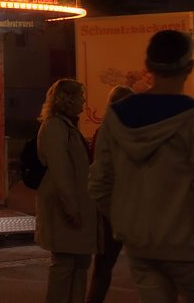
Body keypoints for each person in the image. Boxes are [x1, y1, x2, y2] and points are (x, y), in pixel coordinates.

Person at [89, 30, 194, 302]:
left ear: (147, 67)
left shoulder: (115, 117)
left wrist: (124, 220)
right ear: (189, 68)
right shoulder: (189, 118)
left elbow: (100, 181)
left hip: (139, 244)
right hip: (186, 243)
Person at [36, 78, 97, 303]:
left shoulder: (66, 125)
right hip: (65, 207)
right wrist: (71, 208)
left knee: (79, 264)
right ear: (68, 100)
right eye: (80, 96)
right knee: (64, 265)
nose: (83, 101)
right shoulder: (55, 126)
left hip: (77, 203)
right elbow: (61, 170)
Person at [84, 84, 134, 303]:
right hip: (125, 207)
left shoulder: (104, 130)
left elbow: (97, 174)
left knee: (103, 266)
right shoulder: (132, 133)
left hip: (111, 208)